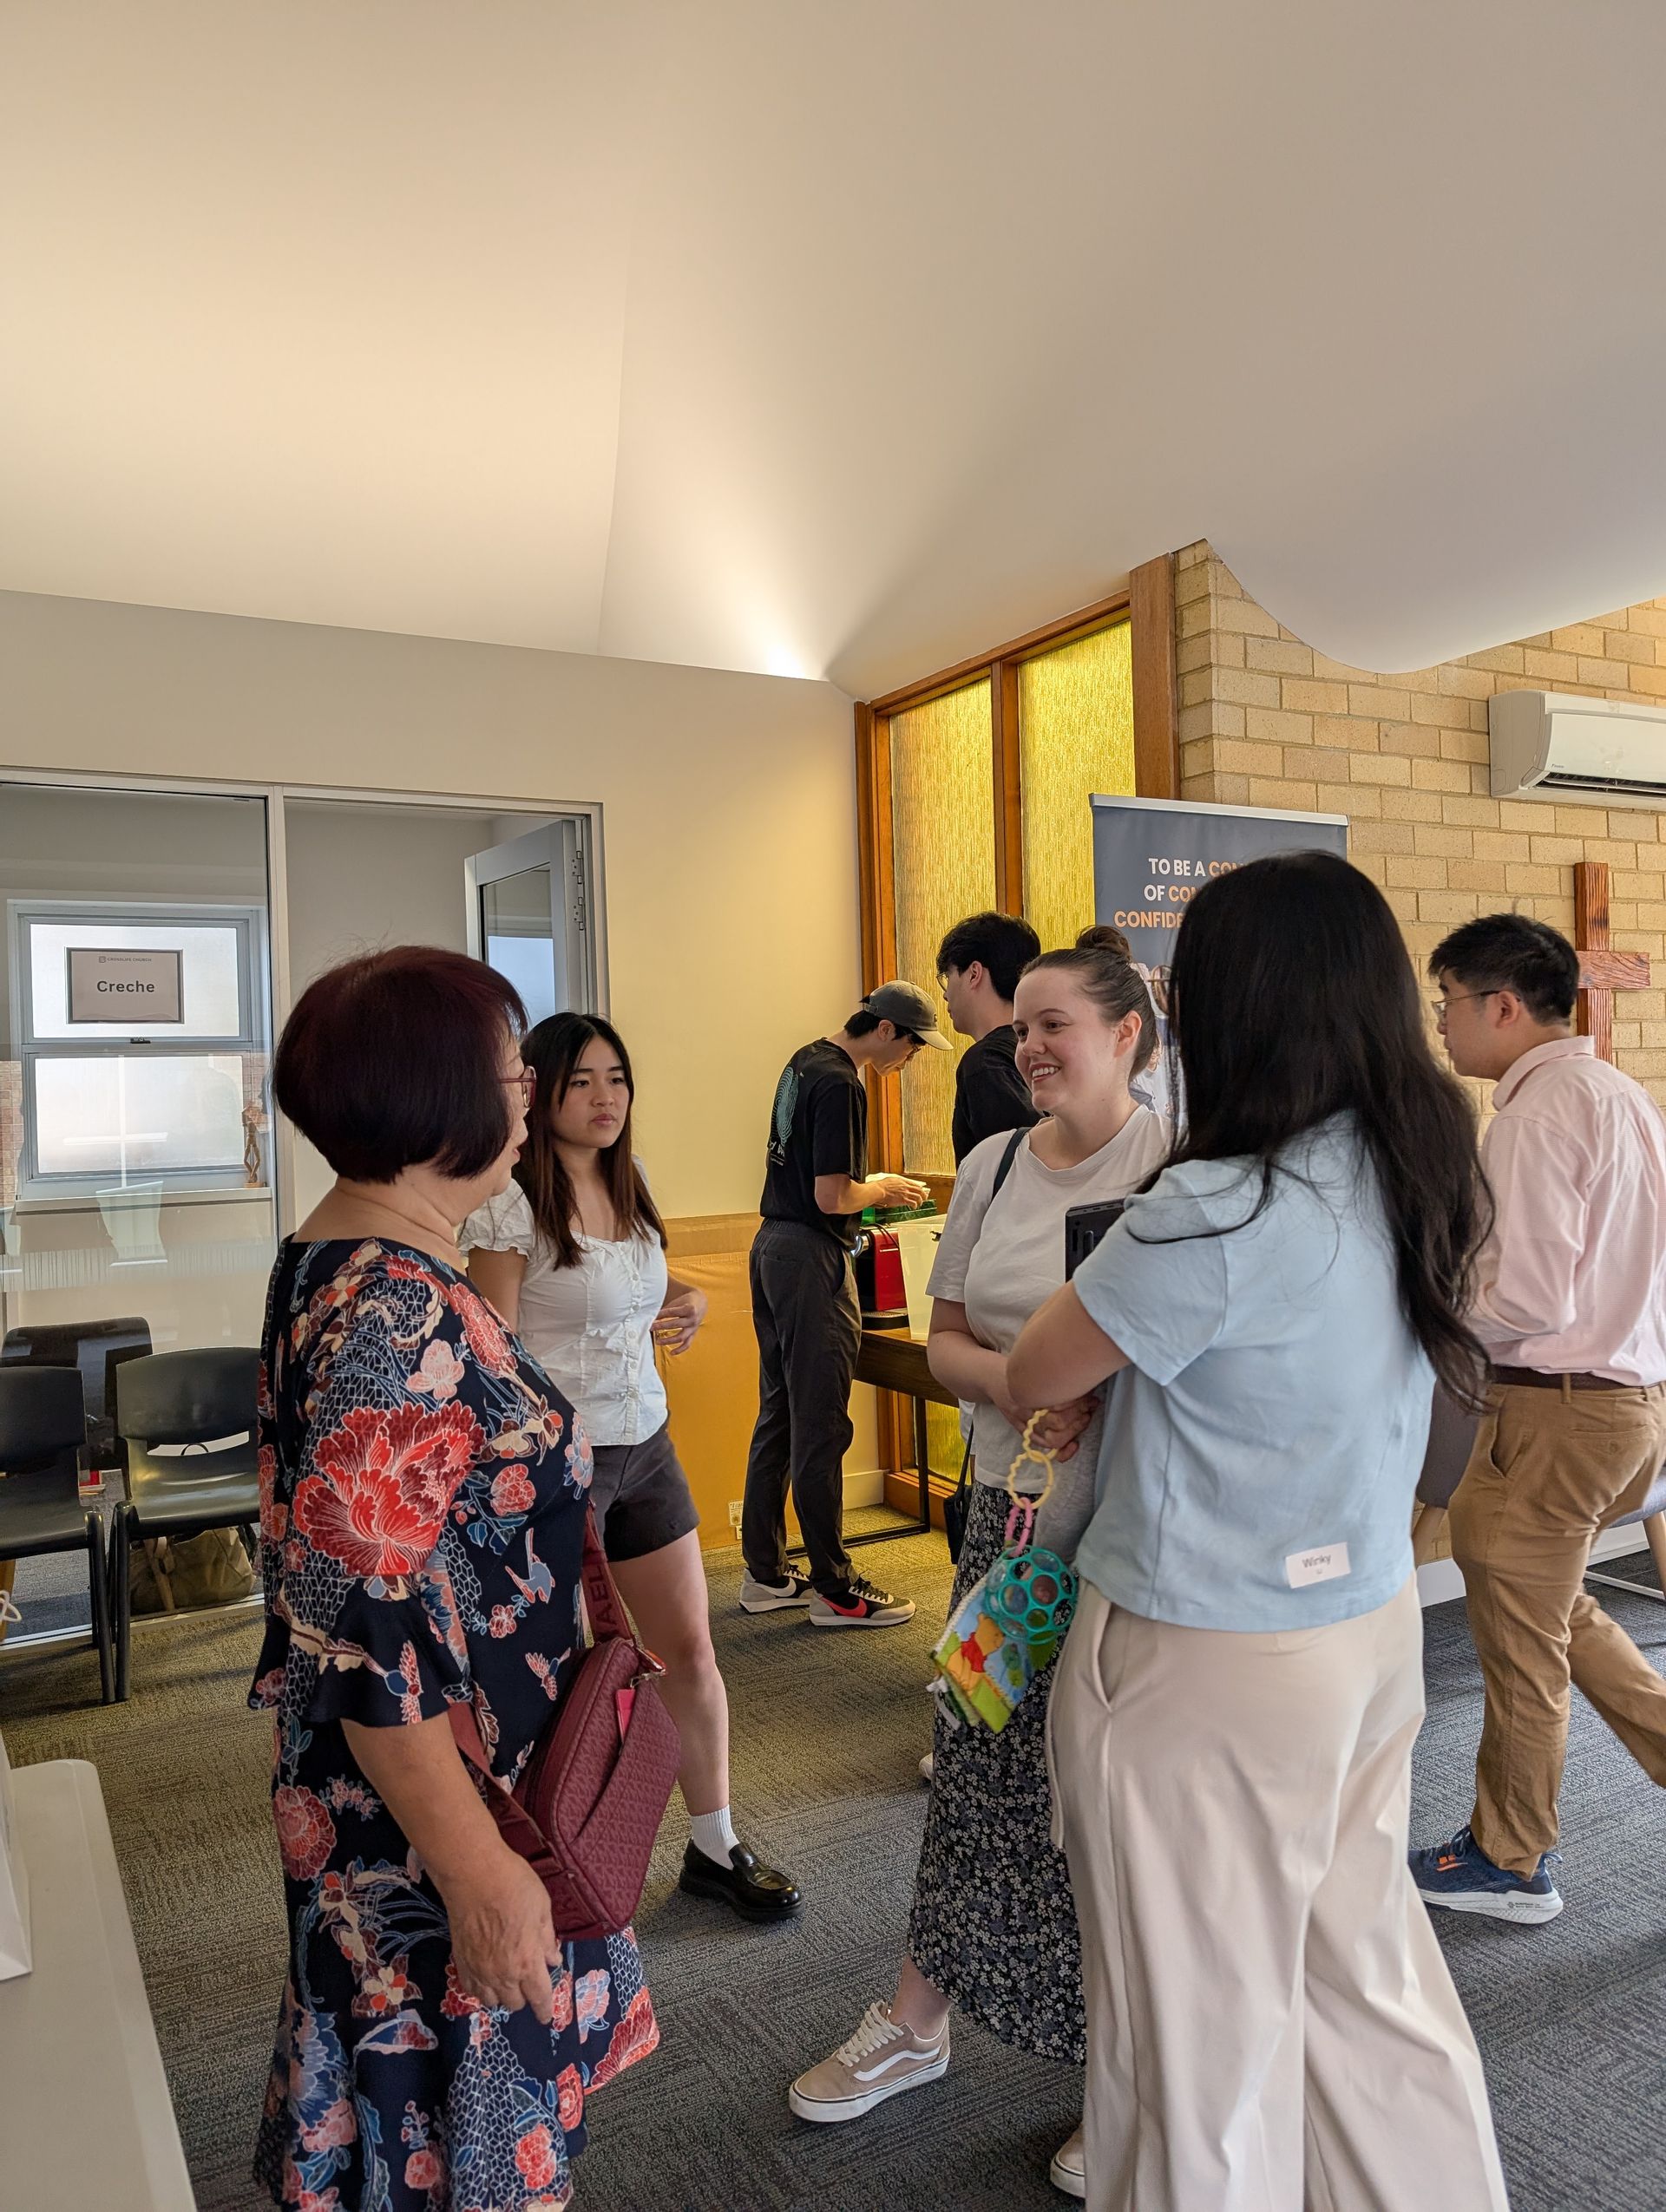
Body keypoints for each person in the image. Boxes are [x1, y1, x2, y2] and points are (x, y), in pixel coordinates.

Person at [1009, 854, 1509, 2212]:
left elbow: (1031, 1371)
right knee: (1369, 1983)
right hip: (1365, 1628)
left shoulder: (1215, 1206)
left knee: (1194, 2050)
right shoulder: (1420, 1167)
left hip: (1201, 1658)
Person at [251, 948, 657, 2212]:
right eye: (510, 1068)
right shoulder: (391, 1314)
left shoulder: (353, 1256)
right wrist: (482, 1874)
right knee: (447, 2127)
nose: (529, 1091)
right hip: (439, 1809)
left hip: (449, 1784)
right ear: (436, 1105)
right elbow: (371, 1642)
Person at [786, 930, 1168, 2203]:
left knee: (1110, 1807)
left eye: (1061, 1022)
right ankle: (917, 2019)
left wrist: (1088, 1390)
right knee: (974, 1768)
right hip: (1011, 1537)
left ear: (1128, 1033)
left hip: (1140, 1545)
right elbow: (946, 1334)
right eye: (1024, 1028)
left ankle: (1115, 2073)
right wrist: (1022, 1382)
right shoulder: (1000, 1161)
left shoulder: (1176, 1169)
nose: (1035, 1045)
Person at [462, 1011, 799, 1925]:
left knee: (687, 1650)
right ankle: (548, 1864)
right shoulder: (510, 1203)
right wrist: (543, 1462)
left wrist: (682, 1296)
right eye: (580, 1082)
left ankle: (715, 1842)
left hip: (647, 1446)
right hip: (558, 1467)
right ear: (538, 1090)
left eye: (617, 1078)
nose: (605, 1098)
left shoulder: (632, 1181)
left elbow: (632, 1283)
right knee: (564, 1677)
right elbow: (490, 1353)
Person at [1411, 913, 1666, 1925]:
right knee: (1554, 1613)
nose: (1441, 1027)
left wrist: (1423, 1312)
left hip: (1554, 1411)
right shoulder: (1619, 1092)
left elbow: (1526, 1298)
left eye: (1448, 1005)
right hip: (1620, 1408)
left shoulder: (1536, 1111)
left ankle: (1511, 1859)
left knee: (1520, 1646)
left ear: (1503, 1006)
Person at [738, 981, 948, 1627]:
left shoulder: (804, 1060)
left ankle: (767, 1575)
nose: (909, 1061)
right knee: (822, 1423)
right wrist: (881, 1186)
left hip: (771, 1245)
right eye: (912, 1047)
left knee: (780, 1413)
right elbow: (834, 1196)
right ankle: (836, 1587)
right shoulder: (844, 1083)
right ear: (886, 1029)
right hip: (810, 1259)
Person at [936, 909, 1043, 1162]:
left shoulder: (985, 1062)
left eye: (948, 976)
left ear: (974, 973)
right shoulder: (1040, 1049)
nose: (945, 994)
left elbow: (1015, 1168)